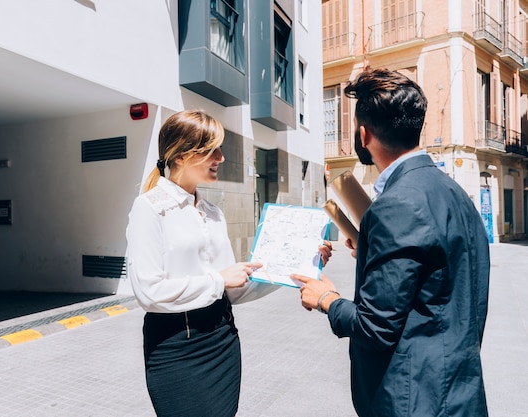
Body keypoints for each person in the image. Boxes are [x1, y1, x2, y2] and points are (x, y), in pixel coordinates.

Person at [292, 68, 490, 417]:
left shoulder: (396, 205)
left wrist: (326, 299)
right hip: (459, 390)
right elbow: (437, 282)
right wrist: (370, 252)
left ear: (364, 134)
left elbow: (374, 327)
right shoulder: (455, 192)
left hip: (416, 400)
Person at [126, 109, 332, 417]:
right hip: (177, 349)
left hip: (222, 341)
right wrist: (219, 281)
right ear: (180, 155)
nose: (221, 158)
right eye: (211, 150)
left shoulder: (212, 212)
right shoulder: (150, 209)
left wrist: (298, 264)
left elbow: (233, 289)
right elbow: (149, 292)